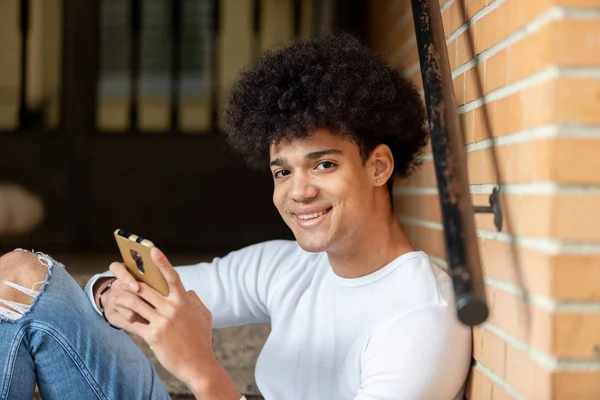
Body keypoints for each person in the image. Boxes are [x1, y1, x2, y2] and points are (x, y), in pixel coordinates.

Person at [0, 31, 472, 399]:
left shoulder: (420, 320)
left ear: (379, 166)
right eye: (282, 171)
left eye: (324, 164)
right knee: (19, 275)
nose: (299, 191)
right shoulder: (286, 267)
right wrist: (107, 295)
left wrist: (203, 372)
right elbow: (144, 286)